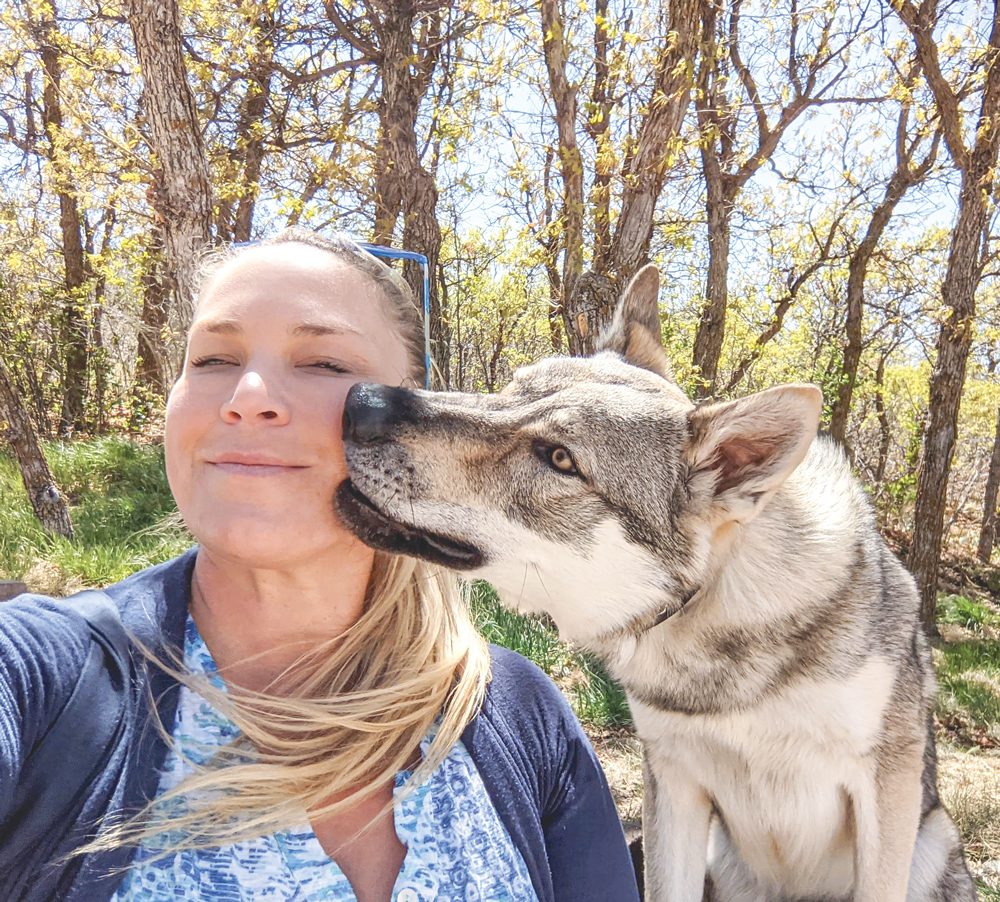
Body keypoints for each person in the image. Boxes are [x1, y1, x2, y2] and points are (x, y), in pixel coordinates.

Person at [0, 230, 640, 902]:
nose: (246, 394)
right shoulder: (47, 682)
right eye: (214, 357)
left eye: (325, 365)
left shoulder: (513, 713)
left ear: (416, 413)